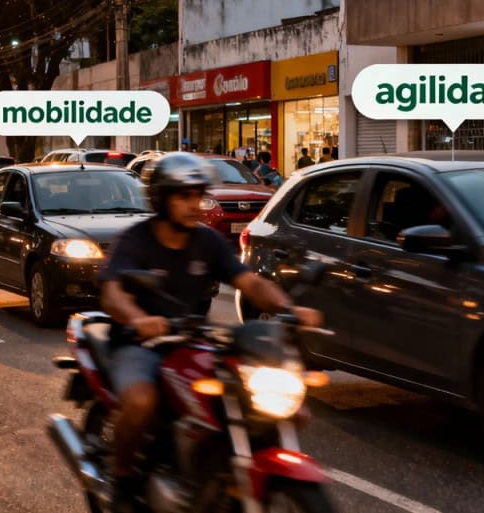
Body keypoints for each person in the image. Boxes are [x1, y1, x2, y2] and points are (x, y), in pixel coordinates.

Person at [97, 152, 324, 511]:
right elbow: (112, 293)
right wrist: (138, 318)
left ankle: (217, 472)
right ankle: (124, 480)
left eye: (198, 196)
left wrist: (289, 310)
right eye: (183, 196)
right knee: (141, 402)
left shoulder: (207, 241)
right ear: (162, 198)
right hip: (139, 342)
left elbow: (249, 282)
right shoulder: (137, 240)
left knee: (277, 404)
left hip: (192, 339)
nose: (194, 205)